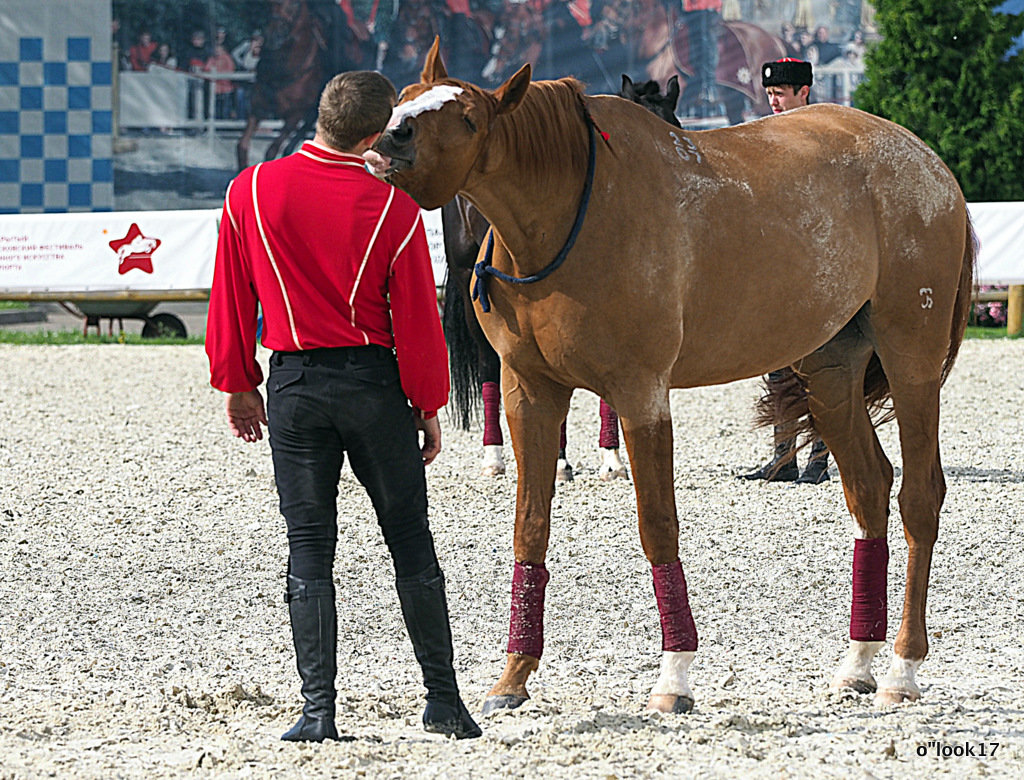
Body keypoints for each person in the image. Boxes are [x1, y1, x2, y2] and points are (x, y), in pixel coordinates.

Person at [205, 70, 482, 743]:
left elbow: (232, 294)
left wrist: (239, 382)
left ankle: (317, 711)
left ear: (322, 115)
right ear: (373, 132)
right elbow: (416, 317)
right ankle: (444, 703)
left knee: (308, 547)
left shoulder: (251, 190)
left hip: (294, 383)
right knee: (410, 541)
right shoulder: (391, 206)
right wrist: (427, 402)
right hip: (373, 385)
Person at [741, 57, 831, 484]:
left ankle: (819, 457)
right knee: (777, 363)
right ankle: (783, 457)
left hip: (814, 263)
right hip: (774, 263)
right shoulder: (765, 134)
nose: (773, 101)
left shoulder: (824, 134)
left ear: (804, 93)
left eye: (780, 93)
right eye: (770, 94)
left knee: (822, 365)